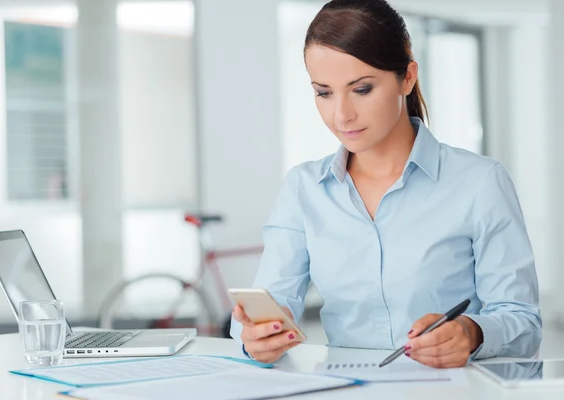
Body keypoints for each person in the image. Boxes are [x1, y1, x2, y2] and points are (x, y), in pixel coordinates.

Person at [231, 0, 541, 368]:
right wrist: (256, 337)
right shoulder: (303, 189)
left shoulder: (480, 183)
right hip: (345, 389)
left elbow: (523, 321)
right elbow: (265, 307)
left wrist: (471, 332)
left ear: (407, 78)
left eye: (362, 89)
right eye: (324, 92)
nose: (341, 114)